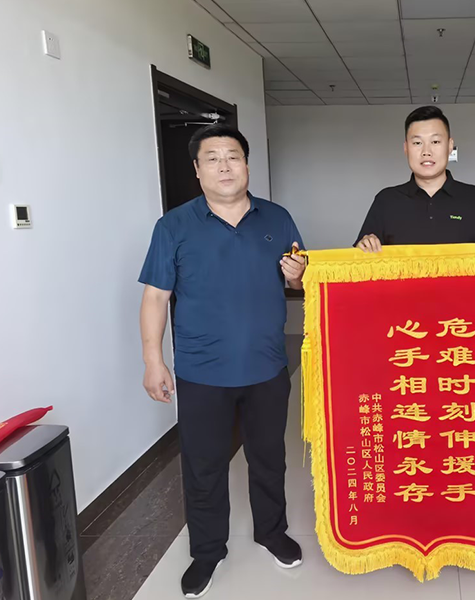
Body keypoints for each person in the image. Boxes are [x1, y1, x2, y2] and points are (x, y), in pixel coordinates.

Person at [138, 124, 307, 598]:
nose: (224, 166)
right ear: (197, 170)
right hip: (201, 371)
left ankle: (271, 532)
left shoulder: (277, 218)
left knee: (269, 458)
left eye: (233, 156)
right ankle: (207, 551)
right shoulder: (173, 226)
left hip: (267, 366)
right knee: (204, 465)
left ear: (247, 165)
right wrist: (153, 360)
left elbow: (298, 282)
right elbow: (155, 297)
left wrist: (297, 276)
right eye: (212, 158)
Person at [355, 105, 475, 251]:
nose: (426, 151)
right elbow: (357, 261)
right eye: (417, 143)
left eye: (435, 142)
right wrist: (364, 246)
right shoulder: (385, 201)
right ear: (406, 148)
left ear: (450, 146)